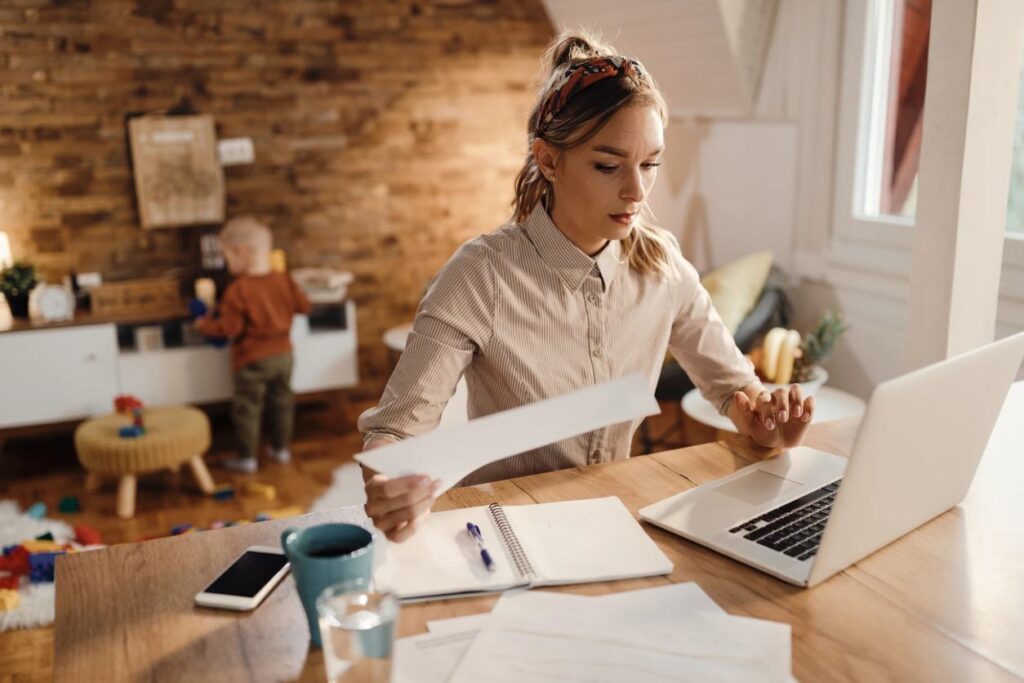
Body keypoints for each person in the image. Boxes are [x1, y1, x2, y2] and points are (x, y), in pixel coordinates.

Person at [358, 31, 816, 542]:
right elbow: (396, 433)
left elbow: (736, 391)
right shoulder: (479, 275)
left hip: (614, 525)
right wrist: (388, 481)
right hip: (506, 533)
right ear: (549, 161)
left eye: (650, 164)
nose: (637, 191)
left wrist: (765, 424)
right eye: (608, 165)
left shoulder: (663, 267)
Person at [196, 216, 312, 473]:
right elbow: (304, 306)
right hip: (284, 355)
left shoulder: (238, 289)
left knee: (248, 408)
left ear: (240, 252)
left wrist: (203, 325)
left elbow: (229, 329)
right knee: (282, 401)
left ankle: (247, 457)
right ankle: (281, 450)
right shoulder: (284, 279)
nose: (227, 264)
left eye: (227, 258)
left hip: (251, 360)